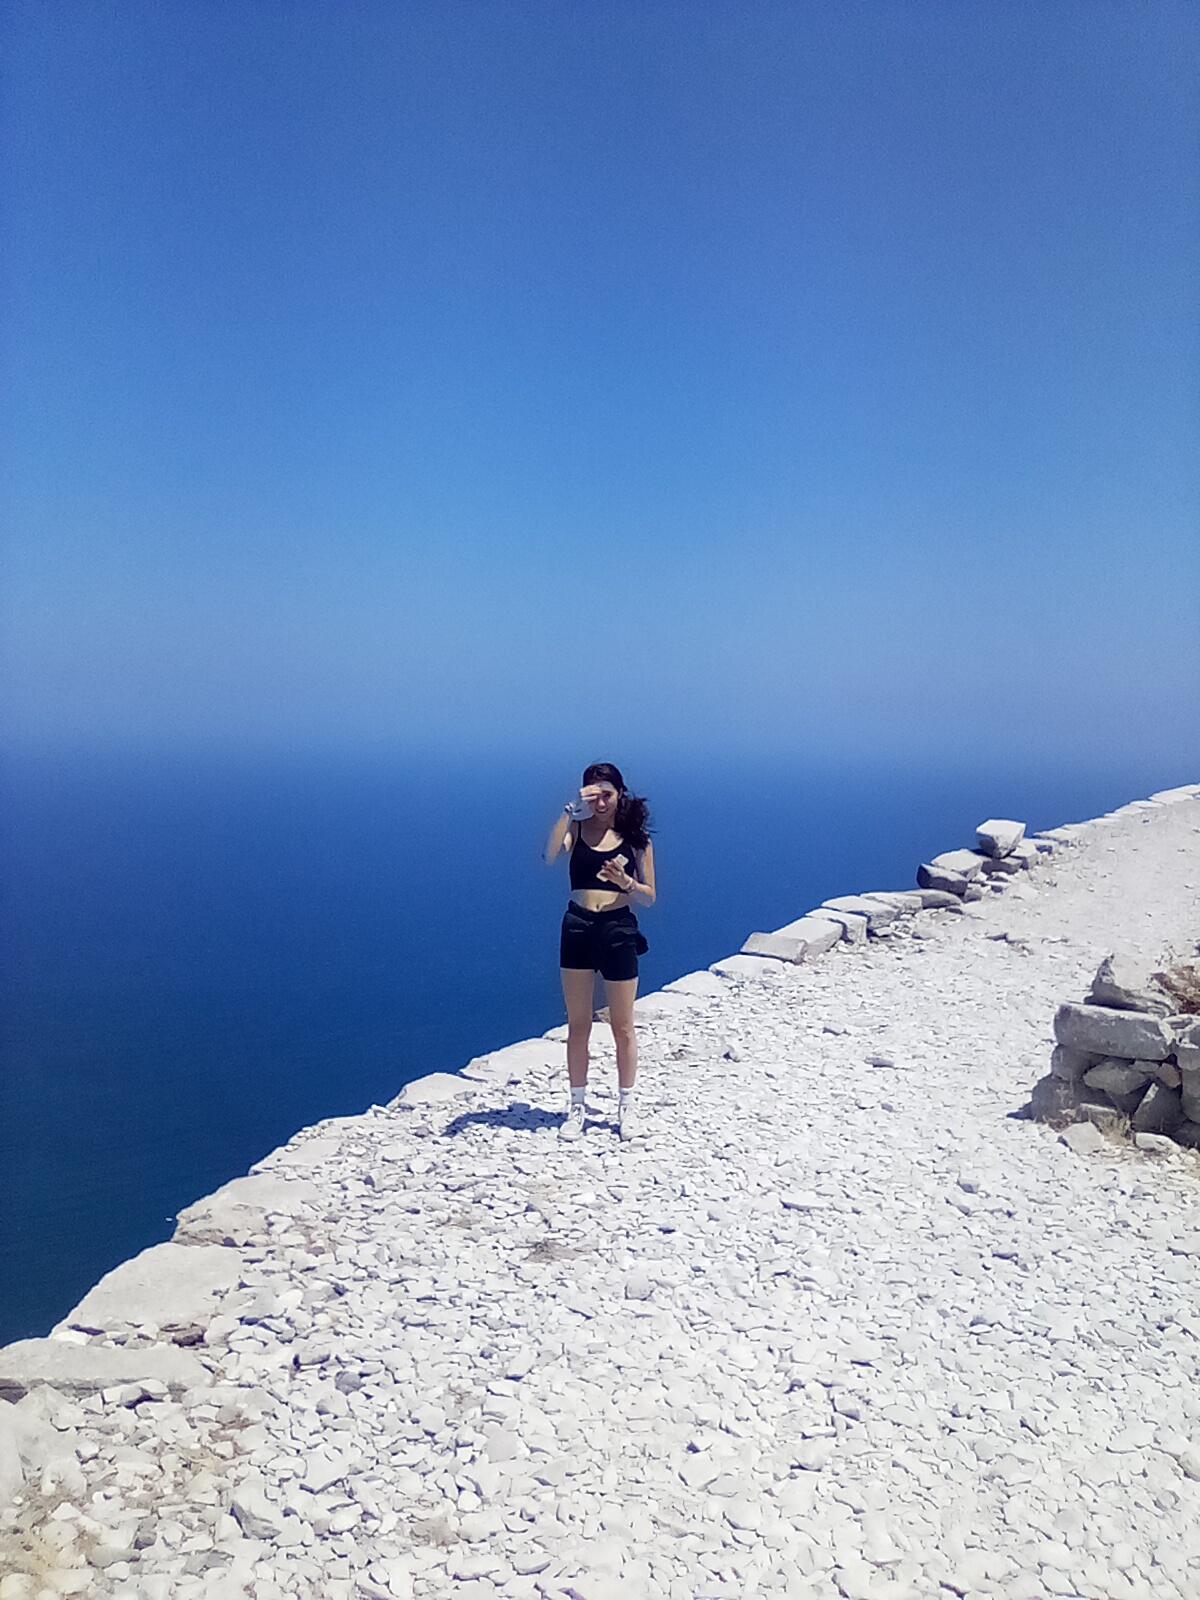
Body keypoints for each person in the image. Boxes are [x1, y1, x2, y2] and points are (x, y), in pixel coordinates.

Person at [544, 762, 656, 1141]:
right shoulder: (576, 829)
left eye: (607, 793)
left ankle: (627, 1105)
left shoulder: (636, 839)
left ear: (620, 794)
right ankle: (577, 1107)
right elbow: (549, 857)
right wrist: (569, 811)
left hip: (617, 927)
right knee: (578, 1024)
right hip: (577, 925)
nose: (602, 801)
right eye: (594, 794)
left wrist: (627, 882)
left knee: (623, 1026)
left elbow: (650, 896)